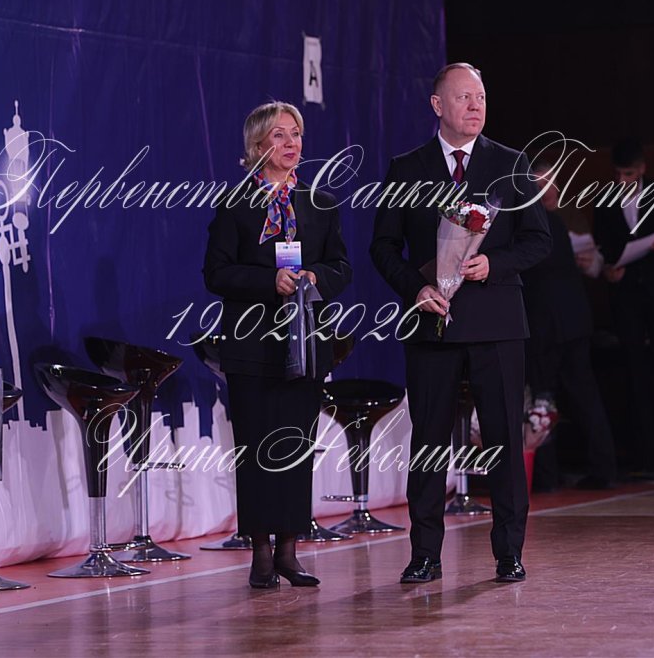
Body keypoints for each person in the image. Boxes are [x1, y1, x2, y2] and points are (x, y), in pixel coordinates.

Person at [370, 63, 550, 584]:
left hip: (496, 322)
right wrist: (416, 288)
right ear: (437, 106)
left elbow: (538, 239)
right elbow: (383, 246)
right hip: (433, 324)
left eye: (481, 98)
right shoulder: (408, 168)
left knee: (503, 440)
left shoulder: (511, 164)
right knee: (429, 442)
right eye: (464, 97)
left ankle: (509, 552)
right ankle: (425, 554)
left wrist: (496, 263)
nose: (475, 106)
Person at [204, 101, 351, 588]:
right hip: (252, 346)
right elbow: (216, 272)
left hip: (305, 345)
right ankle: (261, 554)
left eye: (296, 134)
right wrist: (270, 281)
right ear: (258, 145)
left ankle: (289, 550)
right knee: (255, 449)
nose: (292, 144)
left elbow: (342, 266)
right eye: (280, 135)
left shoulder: (319, 202)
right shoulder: (235, 204)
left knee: (295, 448)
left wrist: (314, 277)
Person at [592, 139, 654, 477]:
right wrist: (608, 268)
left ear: (642, 169)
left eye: (629, 174)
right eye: (618, 174)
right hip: (626, 294)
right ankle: (642, 455)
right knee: (634, 372)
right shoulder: (605, 198)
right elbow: (601, 244)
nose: (622, 180)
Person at [523, 159, 617, 490]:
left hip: (549, 323)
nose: (543, 190)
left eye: (547, 183)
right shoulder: (554, 221)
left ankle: (547, 475)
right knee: (575, 395)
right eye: (537, 184)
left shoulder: (540, 222)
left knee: (546, 396)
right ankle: (596, 469)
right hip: (571, 319)